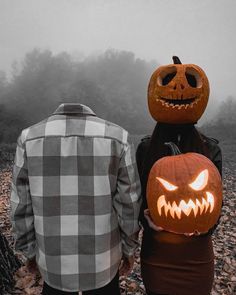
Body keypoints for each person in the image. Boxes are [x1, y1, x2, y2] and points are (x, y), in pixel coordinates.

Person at [10, 102, 141, 295]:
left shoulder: (29, 138)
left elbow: (20, 205)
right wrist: (128, 249)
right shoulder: (118, 137)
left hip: (53, 263)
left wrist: (28, 251)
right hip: (103, 261)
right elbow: (129, 203)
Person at [136, 57, 222, 295]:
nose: (179, 88)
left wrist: (206, 228)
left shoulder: (210, 148)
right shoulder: (145, 148)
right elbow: (139, 198)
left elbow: (216, 200)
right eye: (169, 82)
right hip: (158, 253)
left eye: (189, 82)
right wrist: (146, 220)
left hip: (197, 253)